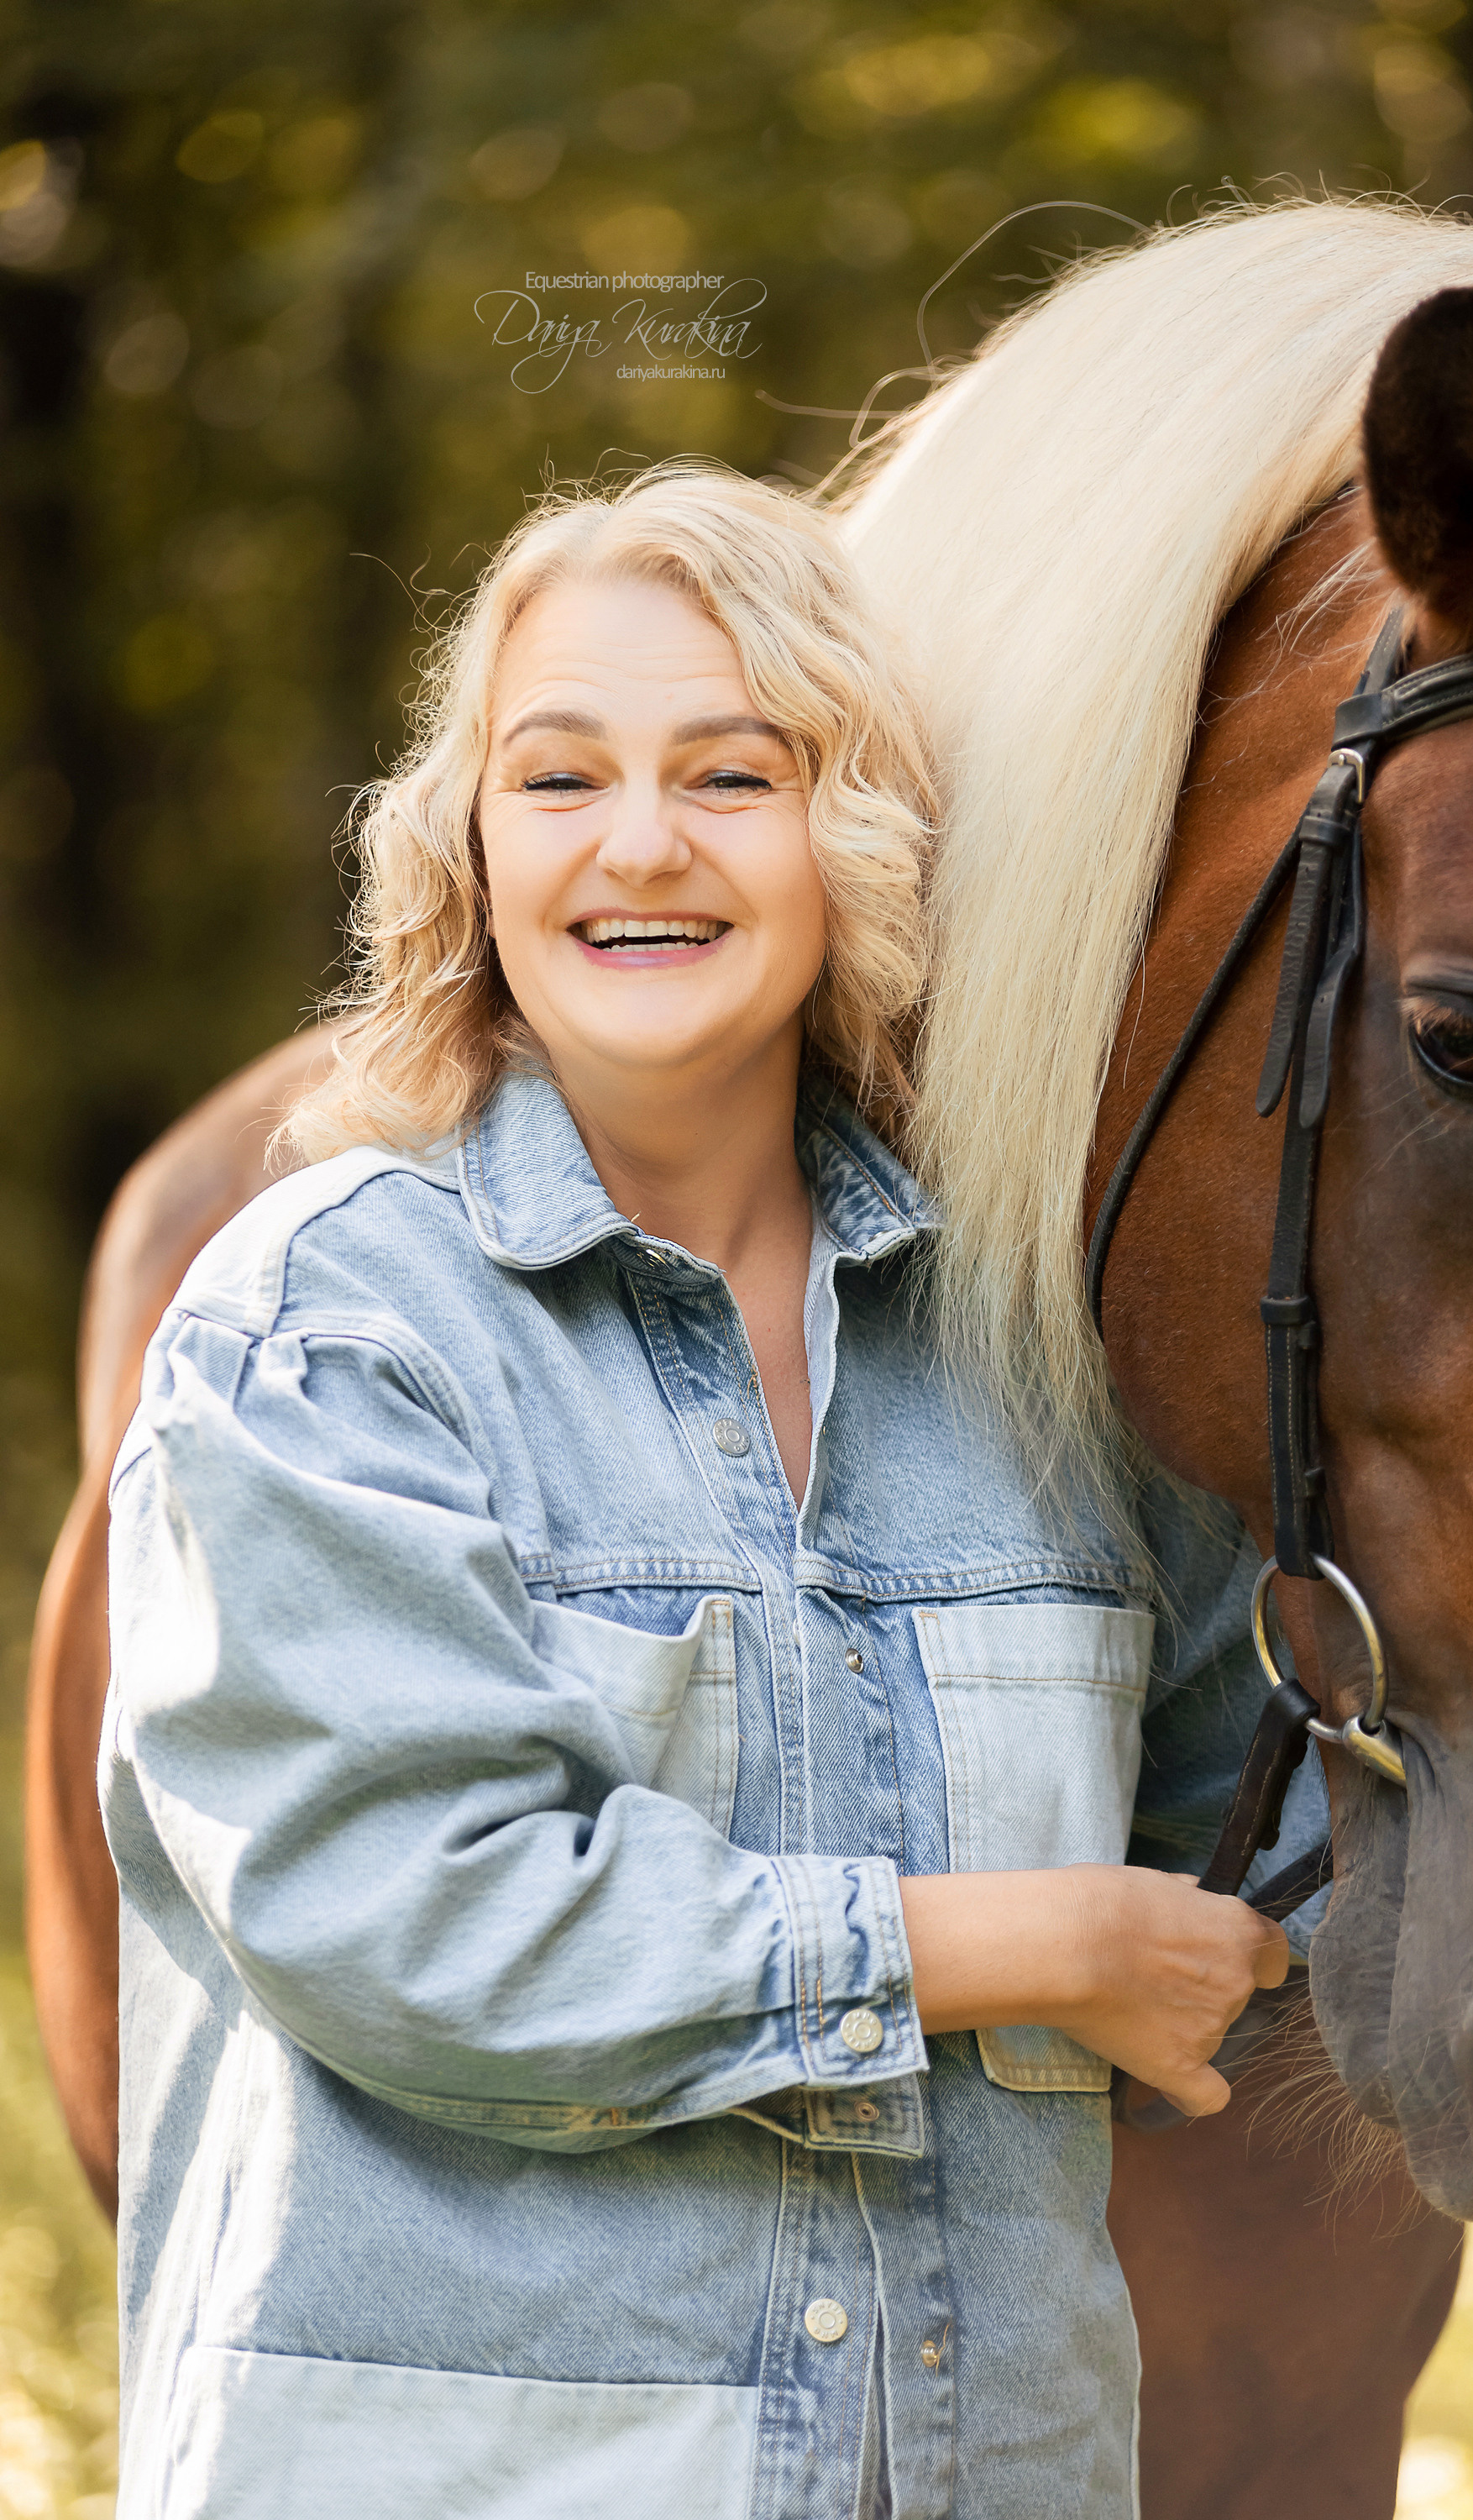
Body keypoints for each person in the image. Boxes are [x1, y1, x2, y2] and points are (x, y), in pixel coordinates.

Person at [102, 465, 1287, 2520]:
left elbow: (1263, 1840)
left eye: (731, 774)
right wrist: (990, 1942)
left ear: (854, 837)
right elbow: (419, 1912)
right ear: (470, 843)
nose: (638, 845)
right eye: (559, 779)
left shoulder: (1035, 1371)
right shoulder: (327, 1330)